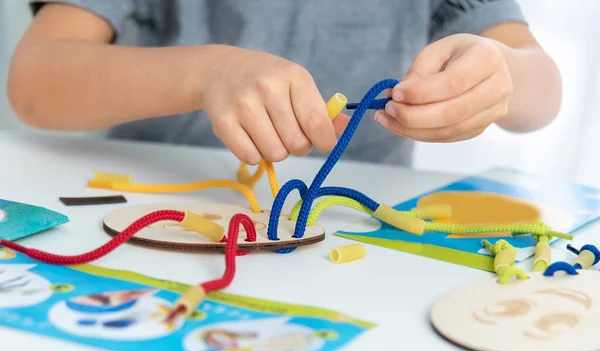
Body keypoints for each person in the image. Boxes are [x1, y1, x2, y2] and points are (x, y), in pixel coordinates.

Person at [7, 1, 562, 167]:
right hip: (164, 213)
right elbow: (35, 80)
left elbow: (542, 90)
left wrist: (501, 73)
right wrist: (205, 73)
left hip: (360, 232)